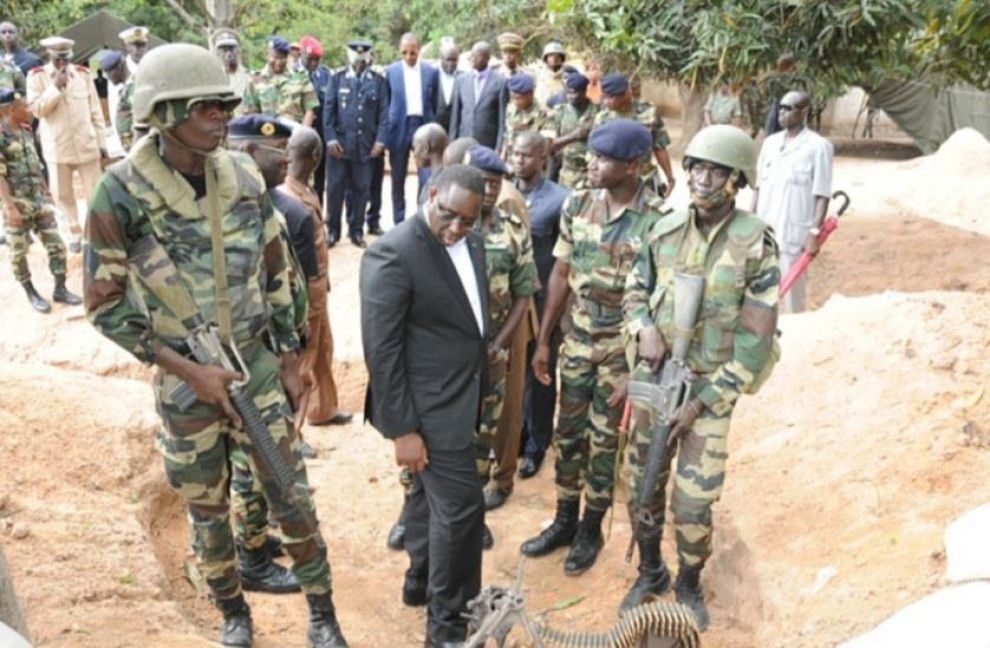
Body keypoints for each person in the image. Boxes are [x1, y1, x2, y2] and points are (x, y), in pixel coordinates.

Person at [83, 44, 347, 648]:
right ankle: (233, 612)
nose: (220, 116)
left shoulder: (244, 176)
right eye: (205, 106)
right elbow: (104, 304)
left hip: (255, 365)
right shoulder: (119, 193)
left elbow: (277, 268)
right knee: (206, 510)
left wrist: (289, 357)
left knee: (292, 495)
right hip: (186, 381)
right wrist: (185, 369)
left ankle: (323, 613)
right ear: (163, 112)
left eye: (224, 105)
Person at [621, 124, 779, 630]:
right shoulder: (664, 229)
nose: (703, 180)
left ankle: (688, 581)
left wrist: (703, 400)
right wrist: (643, 327)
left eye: (716, 172)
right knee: (642, 483)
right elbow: (635, 290)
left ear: (737, 180)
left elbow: (755, 342)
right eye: (696, 169)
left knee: (693, 501)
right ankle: (650, 569)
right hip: (657, 379)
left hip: (710, 390)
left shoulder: (754, 243)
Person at [520, 119, 667, 576]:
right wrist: (544, 341)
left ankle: (591, 526)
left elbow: (661, 303)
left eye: (603, 159)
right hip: (578, 339)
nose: (591, 164)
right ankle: (565, 518)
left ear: (633, 166)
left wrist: (637, 372)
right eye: (592, 155)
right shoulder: (578, 203)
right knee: (568, 433)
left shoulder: (658, 220)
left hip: (621, 349)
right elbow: (561, 273)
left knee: (605, 442)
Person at [361, 164, 488, 648]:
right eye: (448, 214)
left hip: (461, 395)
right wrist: (403, 430)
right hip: (428, 411)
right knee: (461, 510)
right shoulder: (394, 252)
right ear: (430, 192)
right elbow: (382, 350)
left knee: (424, 498)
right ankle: (449, 628)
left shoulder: (472, 242)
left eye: (468, 221)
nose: (456, 228)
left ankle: (418, 583)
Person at [463, 145, 539, 518]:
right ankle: (417, 510)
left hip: (496, 346)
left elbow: (524, 294)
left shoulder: (512, 229)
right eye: (484, 182)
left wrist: (499, 344)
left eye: (496, 183)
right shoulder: (449, 223)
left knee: (488, 428)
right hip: (450, 350)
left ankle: (477, 507)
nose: (491, 191)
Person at [278, 125, 354, 427]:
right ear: (316, 156)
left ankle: (323, 410)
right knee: (305, 360)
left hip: (318, 287)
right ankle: (294, 430)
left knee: (322, 350)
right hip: (307, 292)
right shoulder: (291, 197)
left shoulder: (304, 189)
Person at [510, 132, 569, 481]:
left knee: (540, 374)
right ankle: (515, 435)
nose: (519, 160)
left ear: (543, 158)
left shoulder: (560, 200)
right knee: (513, 374)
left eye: (527, 155)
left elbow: (565, 263)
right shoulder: (505, 194)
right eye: (516, 154)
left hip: (544, 302)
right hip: (511, 303)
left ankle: (537, 443)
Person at [0, 88, 80, 313]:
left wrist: (46, 191)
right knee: (18, 252)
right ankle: (30, 292)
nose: (29, 110)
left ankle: (60, 288)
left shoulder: (27, 131)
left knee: (57, 244)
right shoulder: (1, 136)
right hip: (16, 204)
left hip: (38, 200)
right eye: (24, 107)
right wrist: (9, 207)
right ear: (11, 111)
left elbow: (36, 164)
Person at [753, 90, 832, 313]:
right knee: (760, 293)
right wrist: (750, 222)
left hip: (793, 233)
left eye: (789, 108)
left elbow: (822, 194)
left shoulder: (818, 147)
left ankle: (795, 330)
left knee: (792, 296)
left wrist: (814, 233)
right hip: (765, 232)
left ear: (804, 111)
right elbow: (758, 188)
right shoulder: (770, 144)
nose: (782, 113)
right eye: (781, 108)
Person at [26, 36, 107, 253]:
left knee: (96, 193)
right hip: (57, 146)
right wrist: (55, 87)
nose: (63, 62)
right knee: (63, 196)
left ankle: (96, 233)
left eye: (66, 58)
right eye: (58, 58)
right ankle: (73, 234)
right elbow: (36, 110)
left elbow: (95, 110)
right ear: (49, 55)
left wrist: (102, 142)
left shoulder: (83, 74)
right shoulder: (37, 77)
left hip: (86, 143)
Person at [323, 39, 388, 248]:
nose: (360, 63)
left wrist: (380, 141)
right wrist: (331, 139)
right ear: (349, 57)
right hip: (339, 148)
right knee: (335, 191)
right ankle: (333, 231)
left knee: (362, 190)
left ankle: (356, 231)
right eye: (356, 59)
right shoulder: (337, 79)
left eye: (363, 59)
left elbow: (384, 116)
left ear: (368, 58)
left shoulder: (378, 82)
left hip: (365, 147)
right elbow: (328, 114)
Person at [383, 33, 439, 227]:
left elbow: (435, 101)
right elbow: (387, 101)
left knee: (426, 177)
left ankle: (420, 220)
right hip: (399, 127)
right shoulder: (391, 71)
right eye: (404, 53)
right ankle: (399, 222)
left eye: (413, 53)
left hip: (423, 126)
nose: (408, 57)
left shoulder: (431, 72)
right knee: (398, 177)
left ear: (419, 50)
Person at [595, 73, 675, 199]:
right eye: (604, 96)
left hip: (645, 180)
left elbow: (659, 146)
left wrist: (670, 177)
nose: (606, 102)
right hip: (616, 182)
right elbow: (597, 155)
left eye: (611, 97)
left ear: (626, 93)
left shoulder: (649, 111)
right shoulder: (602, 119)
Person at [243, 36, 318, 127]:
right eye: (275, 57)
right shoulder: (254, 80)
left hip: (296, 131)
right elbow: (252, 114)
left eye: (283, 58)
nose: (279, 62)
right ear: (267, 55)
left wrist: (303, 131)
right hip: (267, 131)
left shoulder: (301, 77)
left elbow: (310, 109)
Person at [449, 41, 507, 151]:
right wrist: (452, 143)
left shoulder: (500, 82)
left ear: (487, 58)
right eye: (472, 55)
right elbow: (455, 116)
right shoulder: (461, 80)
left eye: (477, 55)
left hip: (487, 144)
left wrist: (499, 147)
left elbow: (502, 119)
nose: (473, 58)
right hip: (464, 141)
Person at [550, 72, 597, 190]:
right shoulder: (559, 112)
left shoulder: (598, 113)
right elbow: (550, 144)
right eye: (568, 92)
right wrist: (573, 136)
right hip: (567, 175)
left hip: (591, 175)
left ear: (584, 92)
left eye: (574, 93)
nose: (570, 96)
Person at [299, 36, 331, 199]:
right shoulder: (292, 75)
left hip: (320, 136)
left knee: (319, 179)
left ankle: (317, 209)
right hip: (299, 134)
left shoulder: (325, 75)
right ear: (301, 54)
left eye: (317, 60)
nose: (313, 63)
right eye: (309, 59)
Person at [500, 72, 552, 160]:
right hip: (511, 160)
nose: (515, 102)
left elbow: (547, 144)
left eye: (518, 98)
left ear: (530, 94)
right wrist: (503, 155)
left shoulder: (545, 113)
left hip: (532, 163)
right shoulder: (511, 108)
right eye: (512, 98)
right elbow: (508, 135)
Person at [100, 52, 134, 153]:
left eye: (108, 72)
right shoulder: (126, 89)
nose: (107, 77)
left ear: (119, 67)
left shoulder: (133, 89)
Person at [412, 122, 448, 205]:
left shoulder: (434, 187)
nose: (414, 154)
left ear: (426, 148)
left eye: (415, 147)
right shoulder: (447, 177)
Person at [212, 29, 251, 103]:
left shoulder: (248, 76)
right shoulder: (213, 78)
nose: (228, 54)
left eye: (231, 49)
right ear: (217, 52)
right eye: (224, 50)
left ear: (238, 50)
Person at [435, 39, 461, 134]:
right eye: (448, 59)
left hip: (456, 130)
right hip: (435, 128)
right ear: (441, 59)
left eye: (454, 60)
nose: (451, 64)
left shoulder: (463, 78)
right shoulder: (433, 76)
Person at [535, 42, 566, 108]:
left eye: (558, 55)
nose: (554, 58)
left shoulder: (568, 76)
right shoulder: (540, 77)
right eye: (551, 55)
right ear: (546, 58)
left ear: (562, 58)